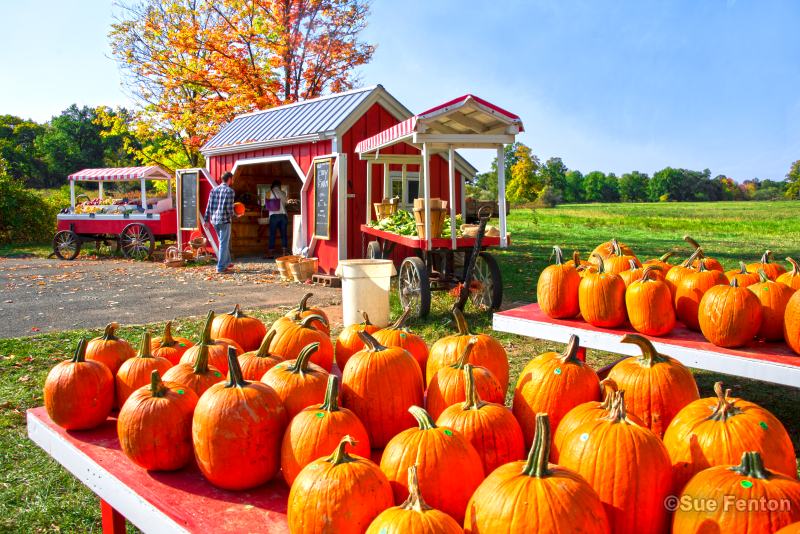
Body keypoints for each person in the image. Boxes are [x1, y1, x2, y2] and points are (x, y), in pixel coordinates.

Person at [204, 171, 239, 273]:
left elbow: (208, 206)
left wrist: (206, 220)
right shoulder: (230, 191)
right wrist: (237, 215)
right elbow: (229, 209)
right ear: (229, 179)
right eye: (232, 179)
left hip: (214, 220)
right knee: (223, 243)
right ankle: (220, 267)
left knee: (223, 242)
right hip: (224, 220)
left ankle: (227, 262)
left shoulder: (213, 190)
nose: (232, 181)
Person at [264, 180, 288, 259]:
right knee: (284, 235)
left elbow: (266, 202)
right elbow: (284, 204)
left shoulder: (269, 192)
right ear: (279, 185)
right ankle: (284, 253)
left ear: (273, 185)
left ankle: (270, 254)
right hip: (284, 215)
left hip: (274, 215)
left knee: (272, 235)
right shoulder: (284, 193)